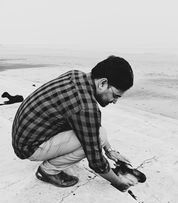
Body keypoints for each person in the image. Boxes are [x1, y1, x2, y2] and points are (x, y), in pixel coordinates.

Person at [12, 55, 135, 191]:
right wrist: (118, 183)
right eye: (115, 95)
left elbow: (90, 126)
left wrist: (110, 151)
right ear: (102, 83)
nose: (115, 101)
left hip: (24, 135)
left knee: (98, 132)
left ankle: (54, 158)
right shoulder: (85, 107)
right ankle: (48, 171)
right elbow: (96, 161)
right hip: (29, 148)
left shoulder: (76, 75)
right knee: (97, 138)